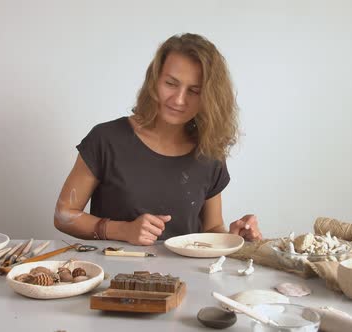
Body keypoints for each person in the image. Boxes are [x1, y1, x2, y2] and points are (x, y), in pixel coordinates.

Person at [54, 33, 262, 246]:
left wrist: (234, 238)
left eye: (194, 91)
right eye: (171, 83)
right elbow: (64, 215)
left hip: (190, 278)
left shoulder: (209, 151)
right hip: (115, 275)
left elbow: (211, 228)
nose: (179, 100)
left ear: (209, 97)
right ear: (154, 81)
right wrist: (122, 230)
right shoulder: (105, 139)